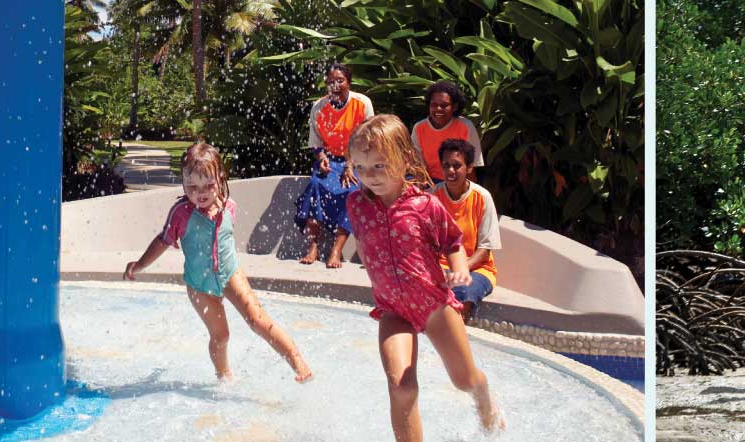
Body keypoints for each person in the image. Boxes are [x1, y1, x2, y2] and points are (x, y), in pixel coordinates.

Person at [344, 114, 502, 439]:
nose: (369, 176)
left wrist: (459, 267)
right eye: (360, 167)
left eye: (378, 166)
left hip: (434, 305)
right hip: (393, 310)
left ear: (403, 159)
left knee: (464, 379)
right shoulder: (356, 205)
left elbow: (452, 240)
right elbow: (363, 240)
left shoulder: (424, 205)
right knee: (401, 387)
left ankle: (485, 401)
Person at [123, 142, 313, 383]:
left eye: (208, 185)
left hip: (230, 274)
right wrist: (139, 265)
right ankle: (224, 378)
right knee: (221, 336)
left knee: (257, 320)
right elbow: (162, 240)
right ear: (182, 181)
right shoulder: (181, 213)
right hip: (199, 284)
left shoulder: (227, 205)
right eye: (192, 186)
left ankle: (297, 361)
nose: (200, 193)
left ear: (221, 178)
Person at [302, 62, 373, 268]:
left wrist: (350, 164)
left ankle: (336, 250)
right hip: (330, 160)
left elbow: (368, 139)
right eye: (330, 81)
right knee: (315, 188)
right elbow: (315, 142)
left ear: (349, 82)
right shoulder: (319, 106)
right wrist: (322, 157)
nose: (335, 85)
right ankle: (313, 246)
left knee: (351, 192)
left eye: (340, 80)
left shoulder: (362, 103)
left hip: (357, 159)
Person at [435, 139, 501, 321]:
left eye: (457, 166)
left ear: (470, 168)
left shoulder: (482, 197)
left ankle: (458, 341)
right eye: (446, 165)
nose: (450, 171)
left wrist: (459, 270)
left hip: (477, 269)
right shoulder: (433, 196)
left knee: (463, 291)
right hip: (441, 267)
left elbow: (485, 250)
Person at [411, 81, 485, 183]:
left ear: (454, 107)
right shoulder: (419, 128)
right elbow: (419, 167)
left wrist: (469, 194)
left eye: (444, 105)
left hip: (458, 181)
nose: (438, 109)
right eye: (434, 105)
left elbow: (471, 168)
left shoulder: (466, 127)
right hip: (430, 182)